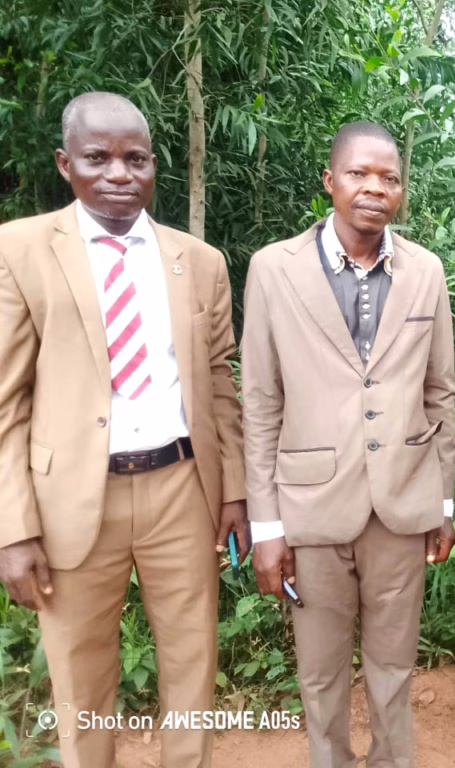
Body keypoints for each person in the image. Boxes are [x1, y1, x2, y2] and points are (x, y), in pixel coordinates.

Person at [0, 92, 247, 768]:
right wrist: (13, 528)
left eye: (135, 159)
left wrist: (235, 494)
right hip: (74, 500)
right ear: (65, 163)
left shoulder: (200, 262)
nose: (118, 174)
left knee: (192, 665)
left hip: (180, 490)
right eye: (97, 158)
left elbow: (222, 385)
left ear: (154, 166)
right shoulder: (20, 250)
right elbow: (5, 402)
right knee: (81, 680)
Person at [241, 120, 455, 768]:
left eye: (389, 178)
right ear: (330, 181)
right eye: (360, 174)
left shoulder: (425, 271)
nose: (375, 187)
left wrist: (443, 503)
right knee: (320, 672)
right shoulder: (273, 270)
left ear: (401, 192)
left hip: (401, 503)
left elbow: (441, 392)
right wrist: (266, 525)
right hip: (310, 511)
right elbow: (260, 400)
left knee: (393, 669)